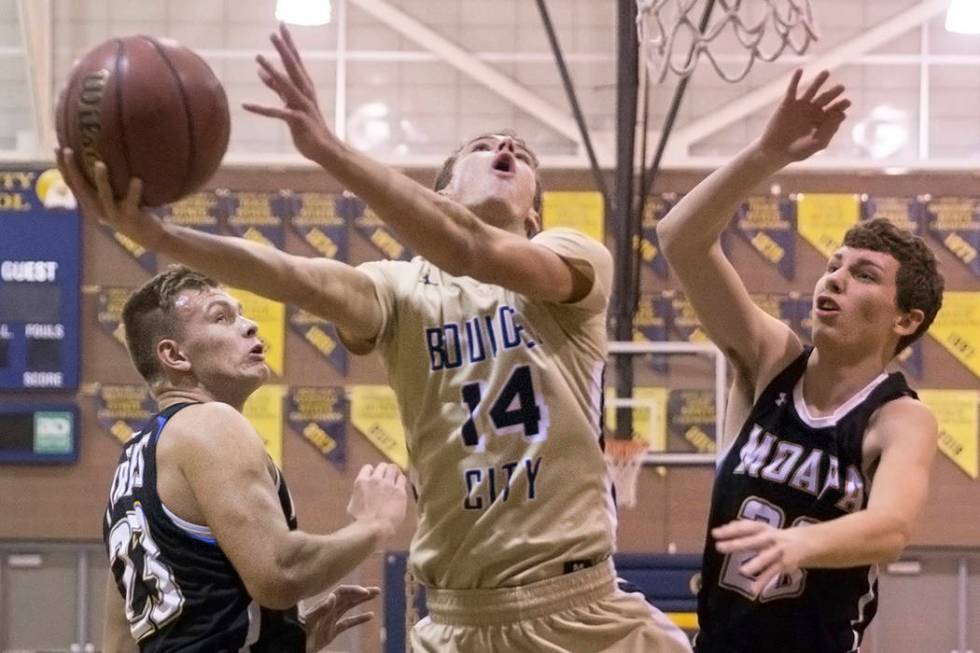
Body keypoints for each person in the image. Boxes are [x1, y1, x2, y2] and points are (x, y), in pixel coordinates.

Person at [59, 23, 692, 653]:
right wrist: (163, 238)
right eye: (484, 146)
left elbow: (468, 246)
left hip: (581, 605)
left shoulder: (572, 261)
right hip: (458, 619)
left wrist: (328, 149)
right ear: (441, 193)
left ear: (534, 213)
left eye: (522, 155)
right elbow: (296, 276)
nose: (505, 146)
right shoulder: (396, 290)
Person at [656, 70, 944, 653]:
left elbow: (890, 529)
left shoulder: (899, 418)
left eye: (863, 275)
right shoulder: (770, 358)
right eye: (834, 264)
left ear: (906, 320)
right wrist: (766, 155)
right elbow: (679, 239)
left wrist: (798, 546)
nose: (835, 278)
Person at [97, 265, 407, 652]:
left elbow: (121, 642)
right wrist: (373, 525)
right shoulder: (210, 423)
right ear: (174, 355)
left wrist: (283, 642)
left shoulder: (134, 460)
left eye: (241, 313)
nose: (249, 326)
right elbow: (280, 572)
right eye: (221, 317)